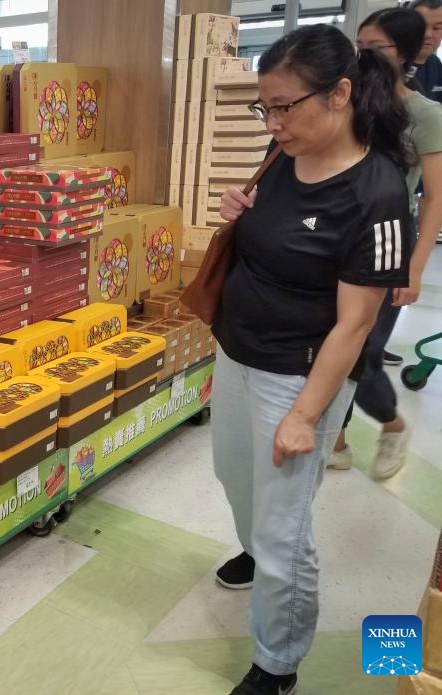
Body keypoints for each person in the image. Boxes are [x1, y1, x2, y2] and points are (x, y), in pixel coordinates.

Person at [210, 24, 413, 695]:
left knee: (283, 532)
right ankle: (256, 549)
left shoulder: (375, 193)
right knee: (234, 479)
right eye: (262, 107)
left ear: (339, 94)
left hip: (296, 377)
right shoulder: (283, 149)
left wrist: (304, 415)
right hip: (236, 352)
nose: (271, 121)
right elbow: (259, 231)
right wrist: (235, 208)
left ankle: (277, 662)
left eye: (283, 106)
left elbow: (355, 324)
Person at [330, 8, 442, 478]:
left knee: (364, 351)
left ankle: (392, 424)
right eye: (359, 45)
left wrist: (414, 269)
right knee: (329, 337)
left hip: (391, 241)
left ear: (406, 54)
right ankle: (333, 435)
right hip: (339, 233)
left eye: (375, 48)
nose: (363, 56)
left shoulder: (424, 113)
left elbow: (436, 197)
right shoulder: (352, 101)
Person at [413, 0, 442, 104]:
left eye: (437, 28)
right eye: (421, 26)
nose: (428, 34)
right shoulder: (389, 66)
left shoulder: (435, 63)